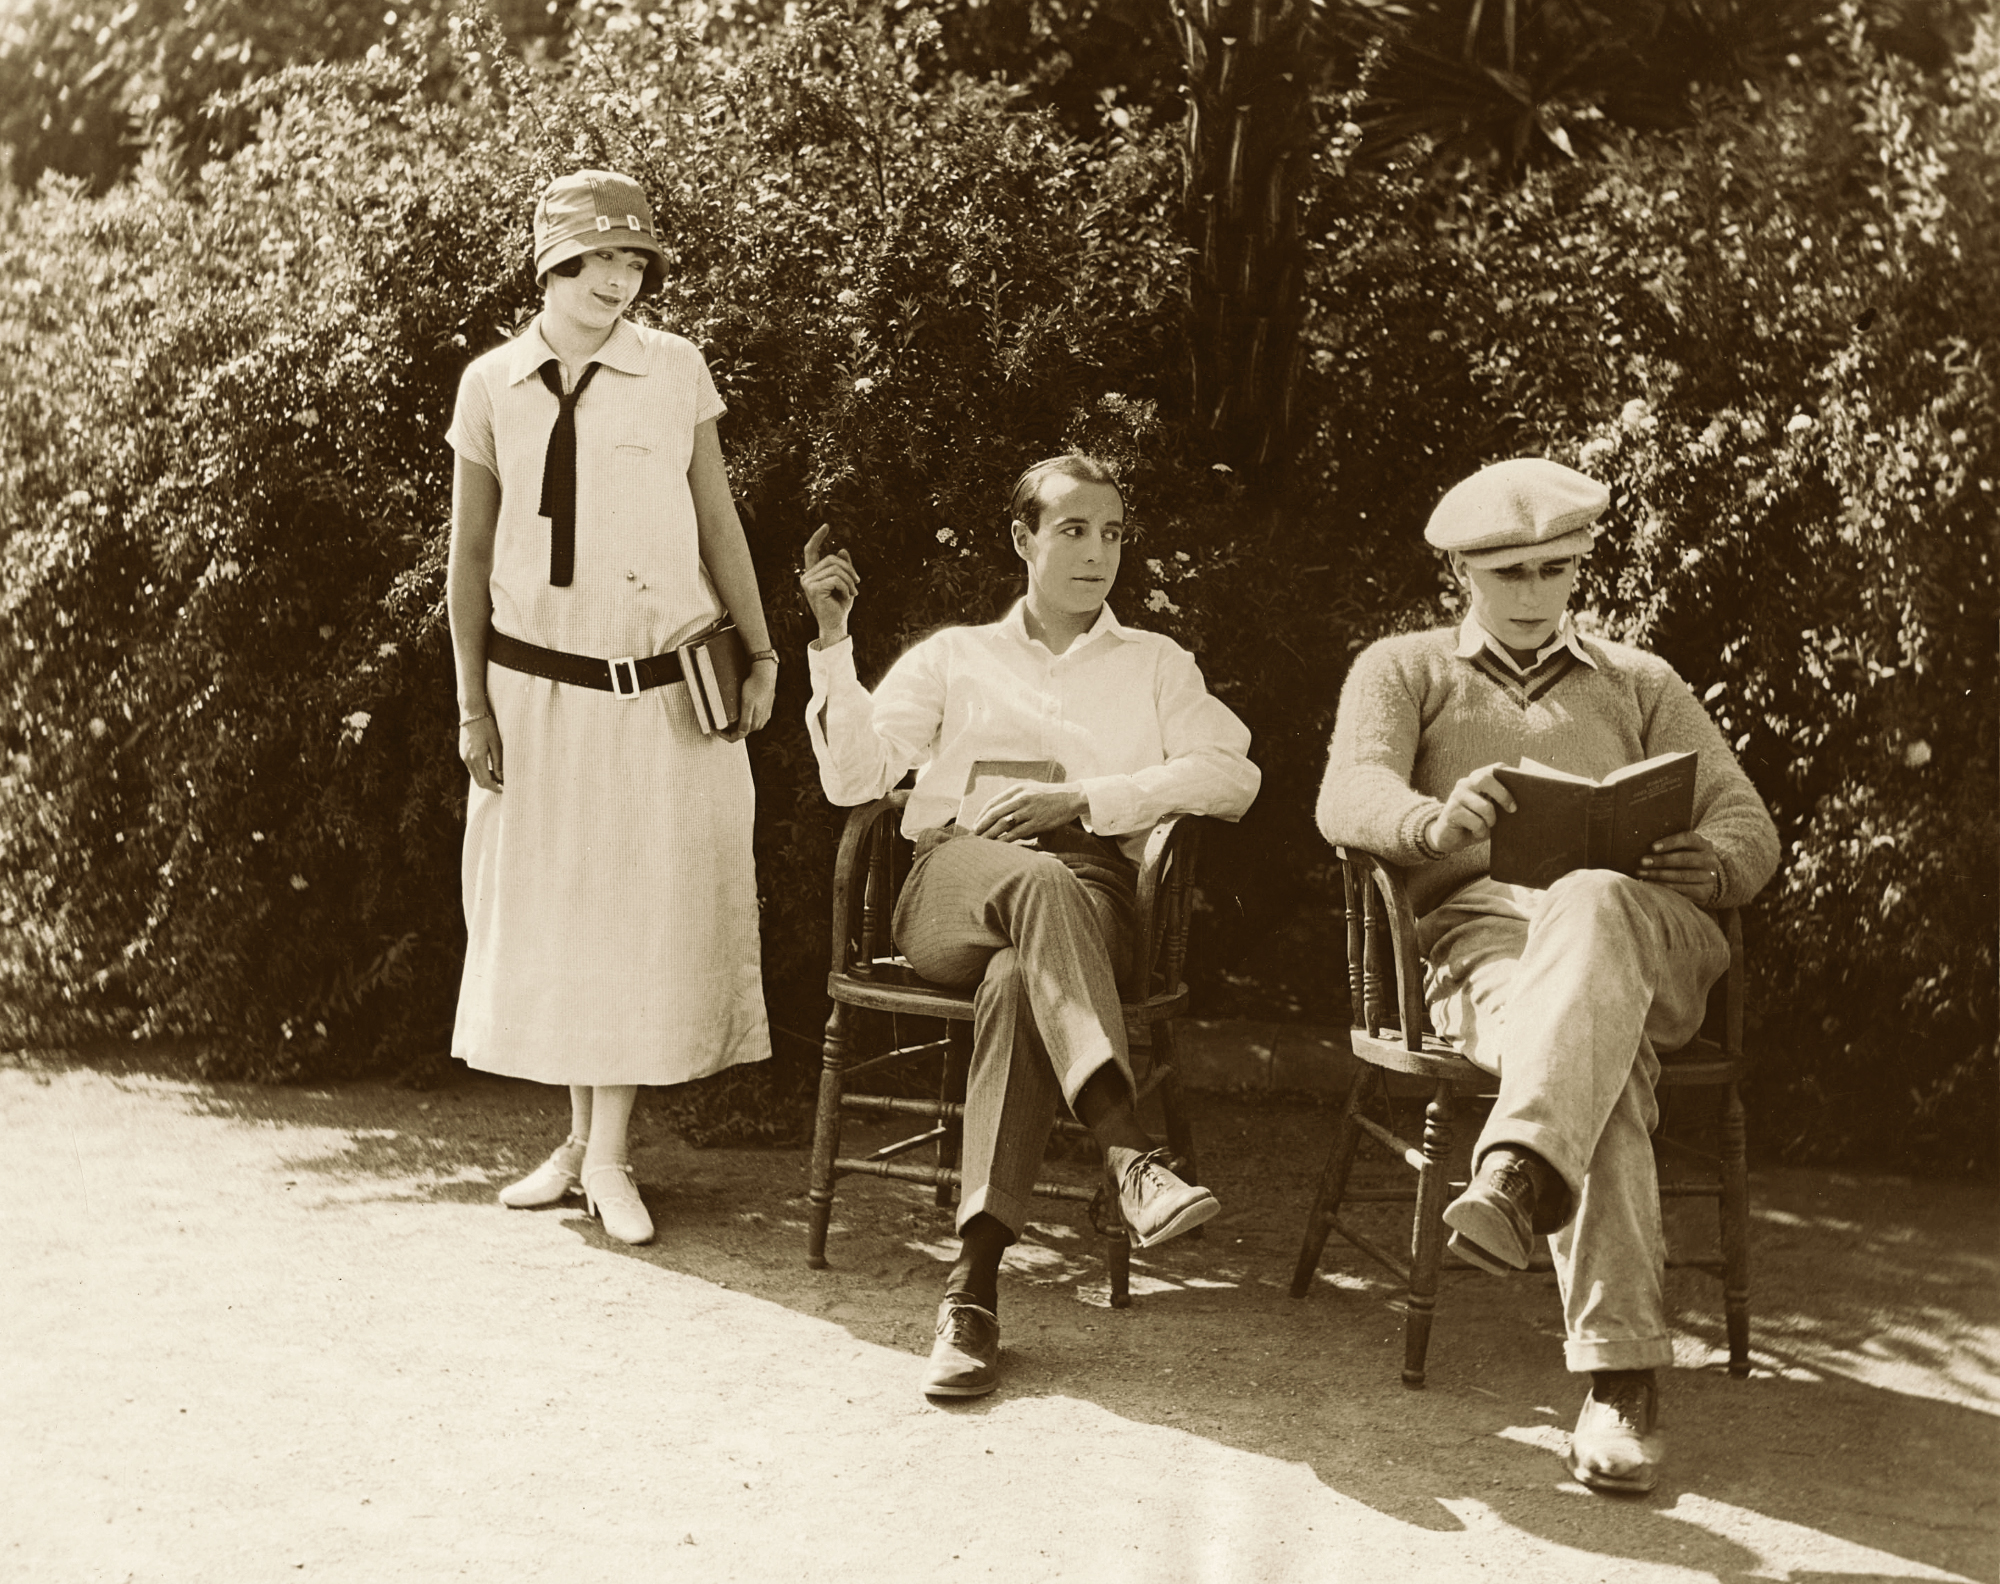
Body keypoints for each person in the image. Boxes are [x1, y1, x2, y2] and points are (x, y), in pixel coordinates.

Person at [1316, 456, 1778, 1494]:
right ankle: (1617, 1379)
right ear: (1460, 575)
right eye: (1507, 573)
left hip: (1645, 933)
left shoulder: (1641, 681)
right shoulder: (1403, 669)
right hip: (1487, 945)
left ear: (1580, 565)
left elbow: (1749, 824)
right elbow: (1346, 795)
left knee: (1589, 897)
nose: (1533, 595)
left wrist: (1711, 860)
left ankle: (1513, 1174)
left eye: (1554, 570)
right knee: (1592, 1069)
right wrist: (1430, 821)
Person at [798, 455, 1261, 1398]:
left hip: (1089, 897)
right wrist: (833, 642)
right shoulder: (954, 656)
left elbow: (1234, 776)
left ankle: (970, 1294)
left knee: (1021, 973)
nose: (1098, 553)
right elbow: (853, 782)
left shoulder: (1158, 665)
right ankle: (1130, 1152)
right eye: (1073, 531)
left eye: (1114, 534)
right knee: (1026, 896)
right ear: (1024, 540)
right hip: (951, 884)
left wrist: (1084, 797)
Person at [445, 169, 777, 1246]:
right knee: (563, 920)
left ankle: (608, 1154)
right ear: (549, 265)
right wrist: (470, 710)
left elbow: (718, 519)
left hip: (658, 700)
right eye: (594, 260)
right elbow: (470, 559)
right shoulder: (492, 383)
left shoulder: (673, 368)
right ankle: (583, 1148)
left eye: (633, 263)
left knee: (638, 919)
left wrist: (764, 649)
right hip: (533, 696)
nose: (616, 282)